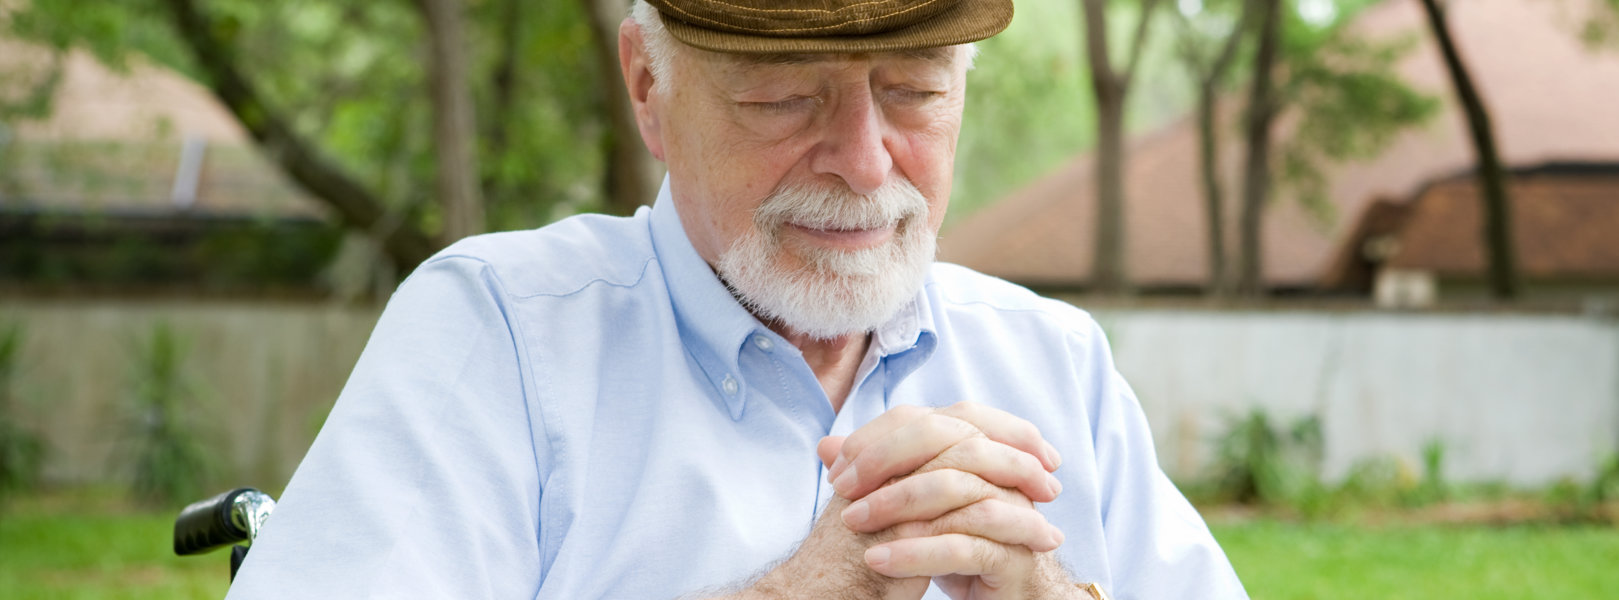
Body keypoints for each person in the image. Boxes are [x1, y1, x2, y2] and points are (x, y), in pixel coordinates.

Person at [228, 1, 1248, 598]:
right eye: (781, 96)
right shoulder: (497, 334)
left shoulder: (1053, 359)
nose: (861, 163)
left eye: (915, 92)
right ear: (647, 88)